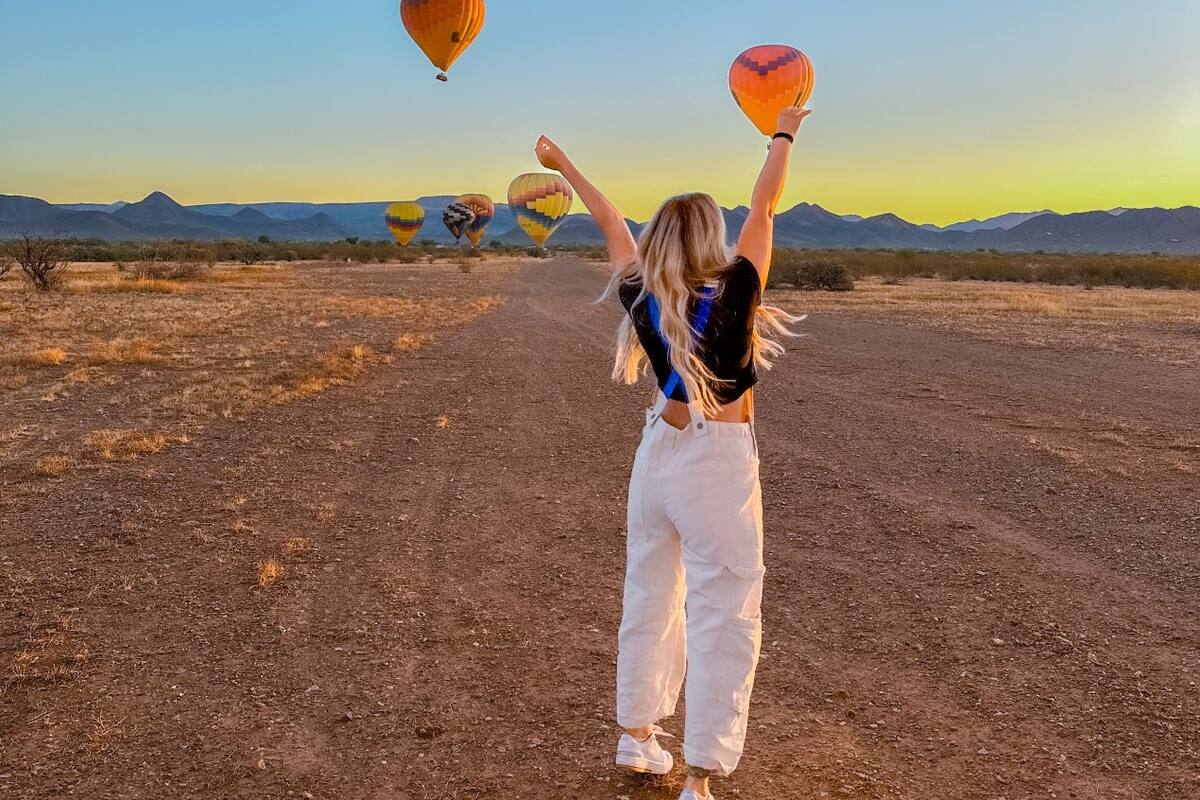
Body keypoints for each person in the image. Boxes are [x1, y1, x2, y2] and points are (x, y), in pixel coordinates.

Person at [534, 101, 811, 800]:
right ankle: (701, 776)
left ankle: (638, 738)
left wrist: (561, 163)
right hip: (716, 460)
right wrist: (783, 132)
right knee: (726, 605)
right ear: (711, 235)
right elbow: (766, 205)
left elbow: (606, 219)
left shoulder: (642, 288)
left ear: (659, 237)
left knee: (651, 594)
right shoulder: (740, 283)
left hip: (656, 455)